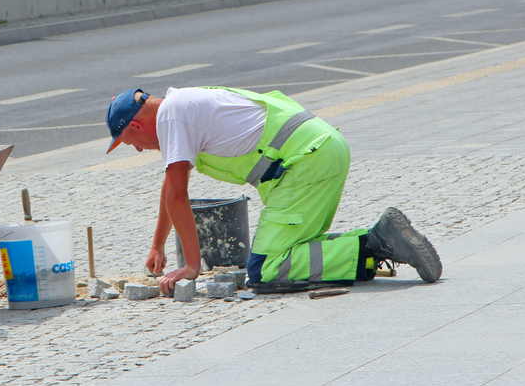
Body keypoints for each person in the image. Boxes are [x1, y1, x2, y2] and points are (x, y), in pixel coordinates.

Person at [105, 87, 443, 295]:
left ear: (136, 125)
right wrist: (157, 245)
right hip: (317, 152)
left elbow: (178, 195)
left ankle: (375, 243)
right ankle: (378, 239)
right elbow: (171, 186)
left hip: (305, 162)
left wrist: (191, 268)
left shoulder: (172, 117)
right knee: (295, 252)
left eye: (129, 142)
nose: (136, 150)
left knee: (265, 269)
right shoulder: (181, 105)